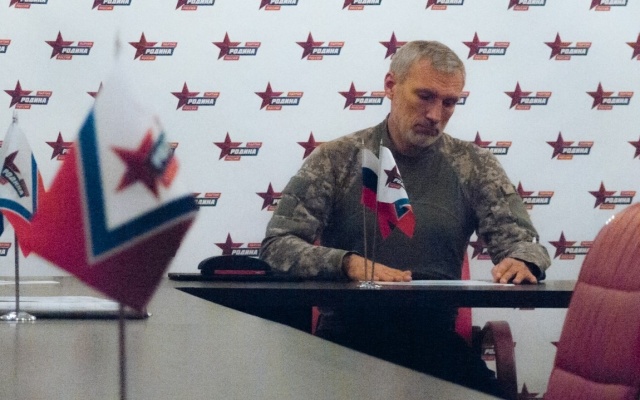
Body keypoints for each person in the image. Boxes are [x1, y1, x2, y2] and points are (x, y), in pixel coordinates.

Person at [260, 40, 551, 398]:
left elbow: (522, 243)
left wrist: (524, 260)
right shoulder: (337, 159)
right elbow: (277, 246)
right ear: (390, 86)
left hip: (435, 344)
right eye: (425, 96)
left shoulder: (473, 165)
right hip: (346, 342)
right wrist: (347, 264)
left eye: (449, 103)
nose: (435, 115)